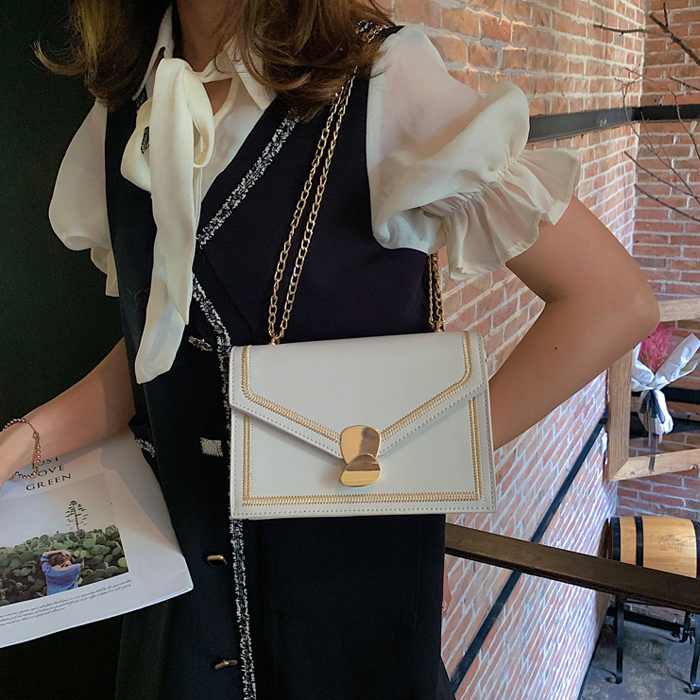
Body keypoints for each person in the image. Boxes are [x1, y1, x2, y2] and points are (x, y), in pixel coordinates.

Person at [0, 1, 659, 698]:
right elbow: (166, 347)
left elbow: (612, 300)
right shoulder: (123, 110)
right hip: (180, 616)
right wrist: (21, 441)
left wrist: (422, 455)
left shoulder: (380, 79)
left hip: (345, 610)